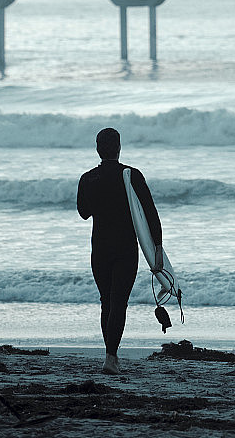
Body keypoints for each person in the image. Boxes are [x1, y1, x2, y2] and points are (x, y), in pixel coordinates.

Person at [77, 127, 164, 375]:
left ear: (97, 148)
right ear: (119, 147)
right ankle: (110, 356)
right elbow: (149, 212)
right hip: (125, 248)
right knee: (119, 303)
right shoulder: (131, 175)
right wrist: (157, 247)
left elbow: (83, 212)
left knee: (107, 302)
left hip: (99, 248)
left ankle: (110, 356)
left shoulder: (87, 178)